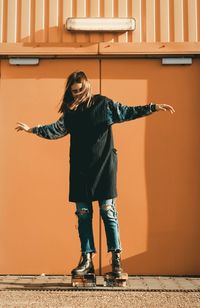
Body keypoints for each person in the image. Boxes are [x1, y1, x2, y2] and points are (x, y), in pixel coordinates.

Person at [15, 71, 175, 277]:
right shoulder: (71, 113)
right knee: (83, 215)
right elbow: (55, 129)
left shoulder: (104, 105)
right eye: (74, 91)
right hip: (80, 170)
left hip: (104, 167)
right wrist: (32, 130)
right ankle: (87, 259)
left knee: (108, 211)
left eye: (80, 89)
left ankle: (116, 260)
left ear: (87, 85)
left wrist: (152, 107)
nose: (77, 93)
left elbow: (127, 111)